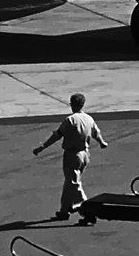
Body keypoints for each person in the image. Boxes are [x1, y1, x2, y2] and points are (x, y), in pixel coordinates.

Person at [33, 93, 109, 225]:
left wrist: (42, 147)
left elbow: (57, 135)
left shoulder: (70, 120)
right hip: (85, 154)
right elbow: (96, 133)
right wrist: (102, 143)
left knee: (74, 184)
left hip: (72, 155)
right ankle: (64, 211)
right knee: (70, 182)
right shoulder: (89, 118)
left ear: (72, 104)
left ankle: (88, 212)